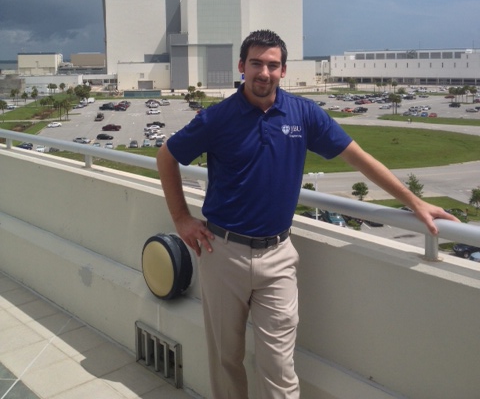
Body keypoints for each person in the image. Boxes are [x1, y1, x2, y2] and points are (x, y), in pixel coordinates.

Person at [156, 29, 458, 399]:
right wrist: (182, 219)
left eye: (272, 65)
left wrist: (414, 202)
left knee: (280, 368)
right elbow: (166, 156)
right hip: (223, 253)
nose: (263, 73)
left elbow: (357, 157)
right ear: (241, 67)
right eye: (256, 64)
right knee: (225, 358)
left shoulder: (304, 114)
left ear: (283, 70)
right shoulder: (218, 118)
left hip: (279, 256)